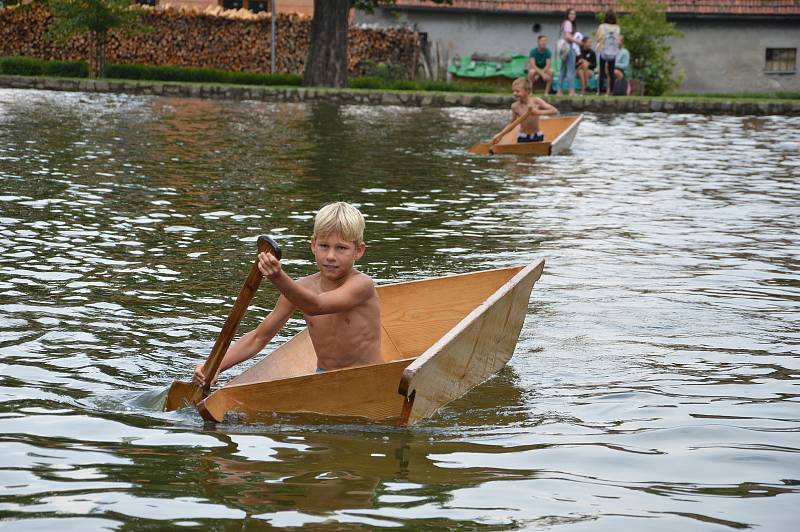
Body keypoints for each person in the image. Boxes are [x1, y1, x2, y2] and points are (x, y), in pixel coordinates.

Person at [193, 202, 383, 386]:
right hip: (323, 378)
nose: (330, 256)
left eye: (341, 248)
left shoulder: (362, 285)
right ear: (313, 245)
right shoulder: (300, 289)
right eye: (324, 246)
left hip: (368, 378)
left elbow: (316, 306)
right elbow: (259, 336)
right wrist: (216, 365)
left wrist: (278, 277)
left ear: (358, 251)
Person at [496, 78, 558, 144]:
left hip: (537, 136)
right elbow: (512, 124)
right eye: (513, 91)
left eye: (517, 91)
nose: (514, 93)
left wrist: (538, 112)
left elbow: (554, 111)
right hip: (523, 137)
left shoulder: (536, 101)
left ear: (527, 91)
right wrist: (500, 135)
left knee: (538, 153)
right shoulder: (515, 106)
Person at [595, 8, 622, 96]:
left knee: (602, 72)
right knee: (611, 72)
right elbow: (618, 40)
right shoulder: (617, 28)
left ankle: (600, 91)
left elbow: (598, 38)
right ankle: (611, 91)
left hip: (603, 51)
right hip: (613, 52)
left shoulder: (602, 27)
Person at [555, 8, 580, 97]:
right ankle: (571, 91)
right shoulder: (568, 23)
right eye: (571, 14)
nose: (573, 16)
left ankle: (559, 91)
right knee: (570, 70)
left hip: (563, 49)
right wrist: (578, 41)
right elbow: (567, 37)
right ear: (567, 15)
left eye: (574, 14)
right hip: (568, 48)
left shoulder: (564, 23)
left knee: (563, 70)